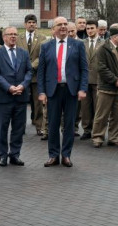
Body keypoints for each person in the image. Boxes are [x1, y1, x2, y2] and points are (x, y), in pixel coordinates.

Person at [37, 17, 88, 167]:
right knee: (52, 124)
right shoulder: (46, 46)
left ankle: (66, 155)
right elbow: (41, 71)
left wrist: (83, 88)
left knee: (69, 124)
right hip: (53, 91)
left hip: (71, 90)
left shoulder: (78, 45)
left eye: (65, 24)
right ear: (53, 29)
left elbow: (84, 69)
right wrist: (41, 92)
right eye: (60, 25)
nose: (63, 27)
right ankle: (53, 155)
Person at [0, 26, 31, 166]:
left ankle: (15, 154)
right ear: (4, 37)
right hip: (3, 97)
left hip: (20, 96)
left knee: (18, 128)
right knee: (2, 128)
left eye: (15, 34)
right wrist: (9, 88)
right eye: (10, 34)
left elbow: (29, 72)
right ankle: (2, 155)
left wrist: (23, 85)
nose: (13, 36)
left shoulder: (24, 53)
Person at [91, 25, 118, 147]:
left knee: (117, 115)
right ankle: (97, 138)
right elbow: (101, 68)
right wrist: (115, 80)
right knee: (102, 115)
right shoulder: (102, 48)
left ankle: (114, 138)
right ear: (114, 37)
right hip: (106, 89)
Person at [21, 15, 47, 138]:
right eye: (29, 22)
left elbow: (42, 55)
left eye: (33, 22)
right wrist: (25, 67)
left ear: (36, 24)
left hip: (36, 75)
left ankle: (39, 126)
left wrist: (32, 66)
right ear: (25, 24)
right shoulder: (19, 38)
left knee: (38, 103)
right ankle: (21, 126)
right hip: (22, 75)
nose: (31, 24)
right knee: (21, 102)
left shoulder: (42, 37)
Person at [79, 19, 103, 138]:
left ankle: (97, 131)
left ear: (97, 29)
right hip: (84, 80)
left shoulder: (104, 43)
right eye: (87, 28)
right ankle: (87, 130)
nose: (89, 30)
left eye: (92, 28)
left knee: (98, 107)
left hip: (99, 79)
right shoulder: (81, 43)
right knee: (85, 107)